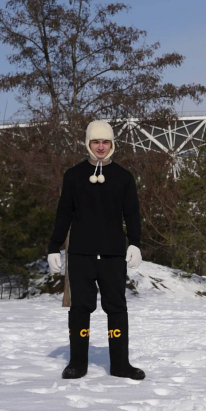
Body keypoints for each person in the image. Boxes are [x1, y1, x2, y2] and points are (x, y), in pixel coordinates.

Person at [48, 120, 145, 381]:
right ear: (87, 143)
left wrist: (135, 243)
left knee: (116, 307)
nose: (100, 147)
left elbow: (132, 214)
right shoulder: (73, 176)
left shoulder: (124, 177)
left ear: (112, 144)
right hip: (81, 254)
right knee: (80, 307)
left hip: (113, 254)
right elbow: (64, 214)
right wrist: (54, 247)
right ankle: (77, 363)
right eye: (95, 142)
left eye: (105, 142)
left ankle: (120, 364)